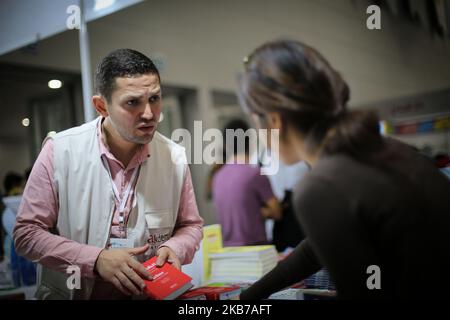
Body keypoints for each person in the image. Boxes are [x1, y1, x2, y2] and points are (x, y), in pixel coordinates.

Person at [238, 40, 450, 299]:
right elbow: (314, 250)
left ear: (272, 120)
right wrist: (248, 297)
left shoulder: (322, 185)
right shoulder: (382, 149)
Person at [13, 49, 203, 300]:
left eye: (154, 99)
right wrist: (95, 259)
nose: (149, 113)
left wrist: (175, 247)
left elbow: (191, 226)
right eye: (133, 102)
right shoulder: (60, 151)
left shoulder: (174, 156)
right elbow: (26, 233)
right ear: (102, 106)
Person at [212, 119, 282, 246]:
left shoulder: (217, 177)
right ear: (250, 141)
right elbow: (277, 212)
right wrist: (258, 211)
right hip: (255, 251)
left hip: (227, 251)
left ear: (226, 144)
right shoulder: (255, 174)